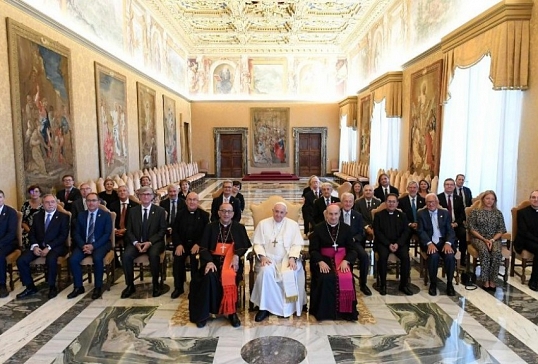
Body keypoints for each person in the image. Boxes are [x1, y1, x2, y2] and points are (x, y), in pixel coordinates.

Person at [189, 202, 251, 328]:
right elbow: (203, 248)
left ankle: (231, 312)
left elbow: (245, 247)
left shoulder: (239, 228)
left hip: (231, 264)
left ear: (233, 214)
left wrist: (236, 255)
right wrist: (209, 261)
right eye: (223, 211)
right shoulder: (210, 227)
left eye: (229, 211)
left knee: (231, 276)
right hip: (213, 262)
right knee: (209, 277)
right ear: (218, 213)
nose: (226, 214)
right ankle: (204, 314)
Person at [250, 202, 306, 321]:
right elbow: (258, 243)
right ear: (272, 211)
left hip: (287, 259)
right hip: (269, 259)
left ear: (285, 213)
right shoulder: (263, 224)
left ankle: (286, 308)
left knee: (290, 272)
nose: (278, 215)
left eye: (281, 212)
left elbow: (297, 244)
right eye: (276, 211)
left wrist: (292, 257)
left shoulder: (293, 225)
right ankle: (263, 308)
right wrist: (263, 256)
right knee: (265, 273)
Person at [309, 204, 358, 321]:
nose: (333, 217)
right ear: (326, 214)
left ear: (340, 214)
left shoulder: (346, 228)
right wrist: (320, 261)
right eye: (330, 214)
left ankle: (345, 313)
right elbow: (313, 250)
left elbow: (352, 249)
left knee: (348, 278)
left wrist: (346, 261)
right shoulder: (318, 228)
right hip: (324, 259)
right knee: (325, 278)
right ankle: (324, 313)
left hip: (342, 260)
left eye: (336, 214)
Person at [17, 194, 70, 299]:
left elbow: (63, 236)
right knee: (21, 260)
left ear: (56, 203)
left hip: (56, 247)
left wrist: (49, 247)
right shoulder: (37, 216)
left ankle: (52, 287)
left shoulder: (64, 217)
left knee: (51, 259)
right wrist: (35, 246)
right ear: (42, 204)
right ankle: (30, 287)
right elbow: (32, 233)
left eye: (52, 202)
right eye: (47, 202)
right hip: (38, 246)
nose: (50, 204)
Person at [121, 186, 168, 298]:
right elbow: (129, 230)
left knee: (153, 255)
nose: (146, 196)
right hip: (137, 242)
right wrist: (135, 242)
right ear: (139, 196)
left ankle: (156, 284)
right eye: (143, 194)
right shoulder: (133, 211)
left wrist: (150, 242)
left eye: (148, 194)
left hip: (154, 243)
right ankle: (130, 285)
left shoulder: (160, 211)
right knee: (126, 256)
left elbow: (162, 231)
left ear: (152, 196)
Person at [68, 192, 113, 300]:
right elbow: (76, 233)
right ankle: (78, 286)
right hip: (84, 244)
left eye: (94, 200)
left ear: (98, 202)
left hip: (100, 244)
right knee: (73, 260)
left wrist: (93, 246)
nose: (91, 203)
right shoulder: (81, 215)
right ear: (86, 202)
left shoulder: (106, 215)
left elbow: (107, 234)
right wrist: (84, 245)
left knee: (97, 259)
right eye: (89, 201)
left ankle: (98, 287)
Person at [417, 193, 457, 296]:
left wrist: (448, 243)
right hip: (430, 242)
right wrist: (429, 243)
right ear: (426, 203)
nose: (431, 204)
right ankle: (433, 284)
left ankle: (449, 284)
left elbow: (450, 231)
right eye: (428, 202)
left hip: (443, 242)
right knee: (433, 256)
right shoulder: (421, 214)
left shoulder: (445, 213)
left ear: (437, 202)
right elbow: (421, 231)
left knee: (449, 256)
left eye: (432, 202)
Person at [372, 193, 412, 295]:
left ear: (397, 203)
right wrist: (388, 244)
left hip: (399, 244)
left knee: (405, 257)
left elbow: (406, 232)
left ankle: (403, 285)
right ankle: (383, 285)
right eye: (389, 201)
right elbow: (377, 232)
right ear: (385, 203)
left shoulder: (402, 216)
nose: (391, 204)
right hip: (383, 243)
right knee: (383, 257)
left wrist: (398, 244)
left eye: (393, 202)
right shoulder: (378, 215)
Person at [170, 192, 209, 298]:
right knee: (178, 259)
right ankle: (178, 288)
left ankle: (194, 288)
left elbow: (206, 233)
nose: (192, 202)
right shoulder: (180, 214)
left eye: (194, 200)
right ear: (186, 201)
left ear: (198, 201)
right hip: (182, 244)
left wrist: (198, 244)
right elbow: (175, 231)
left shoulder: (204, 215)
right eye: (190, 200)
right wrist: (178, 244)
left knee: (194, 260)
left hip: (196, 245)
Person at [467, 190, 506, 291]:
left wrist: (492, 240)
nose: (490, 201)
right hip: (478, 238)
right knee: (484, 252)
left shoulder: (498, 213)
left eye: (492, 199)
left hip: (494, 239)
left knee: (497, 252)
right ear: (483, 199)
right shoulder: (475, 212)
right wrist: (484, 239)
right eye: (487, 198)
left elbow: (501, 230)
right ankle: (485, 280)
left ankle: (493, 280)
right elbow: (472, 228)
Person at [340, 192, 371, 295]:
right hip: (340, 243)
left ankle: (363, 284)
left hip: (354, 242)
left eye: (350, 202)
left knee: (364, 256)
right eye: (346, 201)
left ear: (353, 203)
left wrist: (354, 239)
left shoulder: (357, 215)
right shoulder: (337, 213)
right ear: (342, 202)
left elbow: (361, 232)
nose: (348, 204)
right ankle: (347, 280)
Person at [437, 178, 467, 266]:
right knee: (446, 236)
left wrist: (456, 223)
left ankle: (462, 257)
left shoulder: (458, 198)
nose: (449, 186)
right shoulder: (438, 197)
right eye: (447, 184)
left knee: (463, 233)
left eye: (451, 184)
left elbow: (462, 214)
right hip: (443, 225)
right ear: (444, 186)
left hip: (456, 224)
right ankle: (448, 256)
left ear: (454, 186)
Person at [514, 190, 538, 291]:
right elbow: (524, 232)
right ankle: (534, 280)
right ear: (530, 199)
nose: (536, 200)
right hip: (524, 241)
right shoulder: (522, 213)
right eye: (533, 197)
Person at [0, 190, 19, 298]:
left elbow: (11, 233)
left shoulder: (10, 212)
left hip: (9, 243)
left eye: (0, 197)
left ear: (4, 198)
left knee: (0, 255)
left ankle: (2, 285)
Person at [20, 184, 43, 250]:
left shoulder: (45, 203)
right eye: (32, 192)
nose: (34, 193)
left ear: (40, 193)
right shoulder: (25, 204)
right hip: (28, 229)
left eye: (36, 191)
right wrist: (30, 232)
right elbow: (23, 221)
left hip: (42, 230)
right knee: (25, 238)